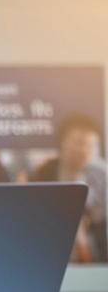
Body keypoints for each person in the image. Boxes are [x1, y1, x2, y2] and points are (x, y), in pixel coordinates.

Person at [30, 113, 107, 264]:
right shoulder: (43, 174)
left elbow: (102, 217)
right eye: (79, 143)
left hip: (95, 251)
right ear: (63, 141)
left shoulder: (102, 175)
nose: (84, 150)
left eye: (90, 145)